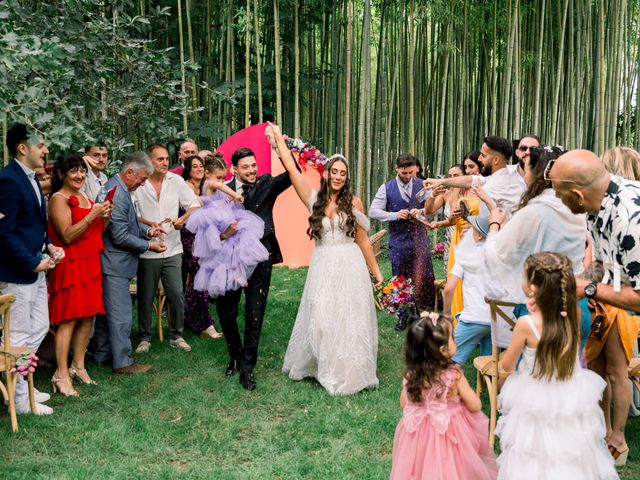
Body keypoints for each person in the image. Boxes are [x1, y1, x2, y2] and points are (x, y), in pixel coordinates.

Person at [267, 124, 383, 395]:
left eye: (343, 173)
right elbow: (293, 171)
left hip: (349, 262)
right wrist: (279, 142)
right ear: (327, 173)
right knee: (321, 318)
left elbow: (363, 240)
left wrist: (376, 273)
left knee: (348, 316)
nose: (339, 176)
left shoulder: (354, 203)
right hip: (322, 264)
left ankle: (347, 370)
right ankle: (323, 365)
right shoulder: (313, 199)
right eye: (335, 171)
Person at [496, 252, 617, 479]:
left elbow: (506, 363)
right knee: (568, 452)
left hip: (533, 397)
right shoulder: (571, 315)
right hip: (568, 392)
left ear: (533, 287)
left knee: (532, 455)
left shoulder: (526, 324)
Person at [455, 146, 586, 305]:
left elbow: (494, 257)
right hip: (576, 301)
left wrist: (495, 225)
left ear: (538, 173)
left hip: (545, 306)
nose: (523, 176)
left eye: (526, 169)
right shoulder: (577, 209)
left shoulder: (534, 212)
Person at [215, 143, 295, 391]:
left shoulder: (266, 184)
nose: (251, 170)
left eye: (253, 165)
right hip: (229, 259)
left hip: (261, 256)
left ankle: (247, 368)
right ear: (234, 170)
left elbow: (293, 174)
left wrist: (283, 146)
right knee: (226, 311)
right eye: (245, 167)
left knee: (254, 313)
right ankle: (235, 356)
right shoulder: (222, 190)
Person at [0, 123, 65, 415]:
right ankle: (18, 399)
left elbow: (33, 226)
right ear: (22, 148)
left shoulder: (31, 178)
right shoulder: (9, 181)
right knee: (17, 336)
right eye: (41, 144)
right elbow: (4, 232)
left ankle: (23, 386)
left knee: (38, 327)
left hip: (37, 269)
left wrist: (49, 246)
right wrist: (31, 261)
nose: (46, 150)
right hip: (16, 274)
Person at [390, 312, 497, 480]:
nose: (455, 340)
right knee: (451, 468)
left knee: (420, 467)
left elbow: (404, 403)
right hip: (450, 431)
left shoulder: (411, 375)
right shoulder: (454, 374)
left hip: (418, 436)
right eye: (453, 337)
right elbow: (475, 404)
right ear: (442, 350)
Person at [91, 152, 165, 374]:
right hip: (113, 264)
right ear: (129, 172)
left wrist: (148, 231)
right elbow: (120, 236)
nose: (142, 184)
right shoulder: (118, 193)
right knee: (121, 316)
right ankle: (123, 362)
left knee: (106, 314)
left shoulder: (118, 188)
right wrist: (148, 245)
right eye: (142, 179)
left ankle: (101, 355)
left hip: (110, 262)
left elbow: (130, 224)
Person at [47, 154, 112, 396]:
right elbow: (67, 235)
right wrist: (92, 215)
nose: (79, 176)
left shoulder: (85, 196)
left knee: (88, 317)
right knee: (68, 320)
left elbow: (94, 231)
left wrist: (104, 217)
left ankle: (79, 366)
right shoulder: (59, 199)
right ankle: (61, 374)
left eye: (82, 171)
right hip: (71, 265)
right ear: (62, 174)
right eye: (73, 171)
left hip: (90, 264)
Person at [549, 150, 640, 313]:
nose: (556, 197)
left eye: (559, 193)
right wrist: (568, 288)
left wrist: (589, 289)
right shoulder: (599, 204)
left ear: (578, 196)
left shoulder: (630, 222)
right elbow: (603, 264)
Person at [134, 144, 200, 354]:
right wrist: (148, 223)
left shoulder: (176, 181)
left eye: (166, 159)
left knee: (176, 293)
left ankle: (176, 336)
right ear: (148, 161)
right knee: (146, 296)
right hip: (148, 249)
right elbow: (131, 214)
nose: (165, 163)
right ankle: (144, 337)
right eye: (159, 159)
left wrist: (181, 220)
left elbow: (194, 205)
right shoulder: (139, 183)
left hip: (173, 248)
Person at [368, 153, 436, 331]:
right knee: (400, 279)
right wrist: (394, 215)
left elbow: (434, 211)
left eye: (411, 172)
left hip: (419, 239)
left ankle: (424, 315)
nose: (407, 176)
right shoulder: (386, 188)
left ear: (416, 169)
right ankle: (402, 316)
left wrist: (420, 211)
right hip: (398, 241)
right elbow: (373, 211)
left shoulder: (422, 185)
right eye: (404, 172)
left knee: (423, 276)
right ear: (396, 168)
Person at [186, 154, 267, 298]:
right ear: (207, 174)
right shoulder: (210, 184)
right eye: (219, 177)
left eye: (224, 178)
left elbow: (221, 192)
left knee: (235, 245)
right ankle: (234, 275)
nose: (222, 181)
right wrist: (234, 194)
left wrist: (230, 200)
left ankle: (238, 273)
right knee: (227, 250)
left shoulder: (218, 188)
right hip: (216, 219)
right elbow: (218, 186)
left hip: (223, 217)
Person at [583, 261, 638, 465]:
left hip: (621, 296)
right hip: (595, 292)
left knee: (616, 373)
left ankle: (619, 439)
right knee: (597, 371)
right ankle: (604, 430)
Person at [425, 155, 480, 317]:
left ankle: (471, 314)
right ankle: (456, 313)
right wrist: (433, 194)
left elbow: (456, 218)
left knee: (470, 280)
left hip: (471, 237)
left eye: (456, 176)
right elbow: (429, 211)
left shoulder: (472, 191)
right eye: (449, 176)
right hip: (453, 240)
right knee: (454, 279)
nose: (452, 179)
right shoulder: (448, 193)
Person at [423, 135, 525, 217]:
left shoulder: (489, 189)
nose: (479, 159)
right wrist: (440, 181)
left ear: (496, 160)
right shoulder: (510, 174)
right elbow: (470, 180)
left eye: (483, 155)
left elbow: (485, 227)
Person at [180, 154, 223, 340]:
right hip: (190, 240)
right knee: (200, 279)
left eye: (200, 166)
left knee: (197, 281)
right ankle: (205, 324)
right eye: (194, 166)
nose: (198, 169)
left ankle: (191, 317)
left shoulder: (205, 188)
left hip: (204, 238)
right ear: (188, 170)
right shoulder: (185, 188)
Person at [443, 215, 493, 364]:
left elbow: (448, 288)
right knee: (490, 362)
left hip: (473, 319)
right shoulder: (499, 255)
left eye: (472, 229)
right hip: (496, 320)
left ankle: (446, 385)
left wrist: (446, 313)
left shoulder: (466, 256)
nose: (468, 230)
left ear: (478, 236)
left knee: (446, 359)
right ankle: (489, 385)